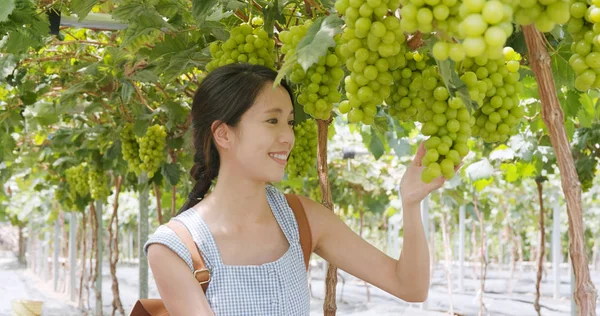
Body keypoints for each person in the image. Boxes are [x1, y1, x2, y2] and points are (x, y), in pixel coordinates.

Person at [144, 63, 451, 315]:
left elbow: (410, 286)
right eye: (272, 120)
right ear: (224, 134)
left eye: (289, 122)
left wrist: (410, 204)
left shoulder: (302, 218)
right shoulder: (175, 249)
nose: (287, 137)